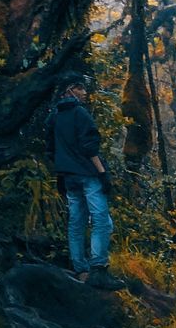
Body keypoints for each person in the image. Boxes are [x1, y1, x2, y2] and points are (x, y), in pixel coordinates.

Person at [47, 74, 123, 290]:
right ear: (69, 90)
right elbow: (90, 147)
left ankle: (81, 270)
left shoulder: (53, 117)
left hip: (68, 178)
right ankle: (99, 269)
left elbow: (51, 150)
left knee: (76, 222)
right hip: (88, 175)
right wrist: (102, 174)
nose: (84, 92)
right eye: (80, 88)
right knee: (100, 220)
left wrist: (61, 173)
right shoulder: (80, 113)